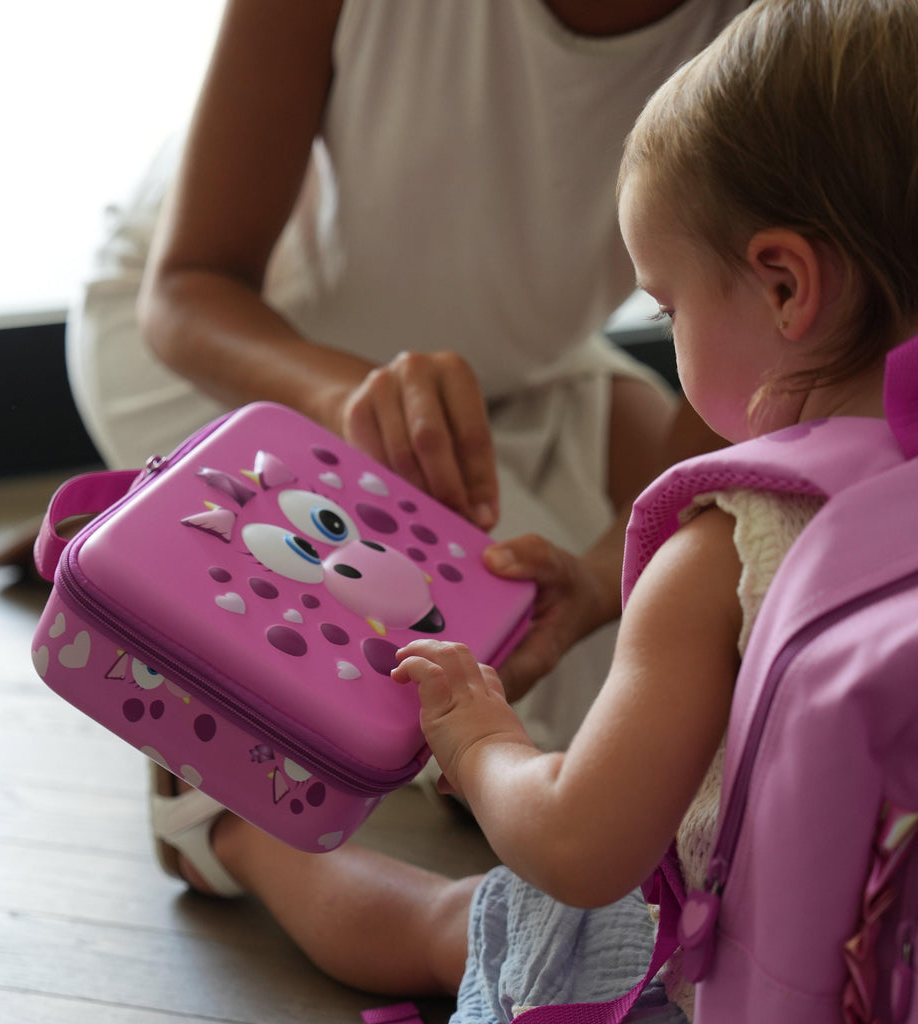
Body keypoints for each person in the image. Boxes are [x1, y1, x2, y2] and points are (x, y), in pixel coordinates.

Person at [147, 0, 918, 1020]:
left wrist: (480, 740)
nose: (668, 333)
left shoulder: (727, 543)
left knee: (458, 919)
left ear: (782, 285)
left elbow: (575, 845)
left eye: (667, 308)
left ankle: (228, 829)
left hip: (706, 969)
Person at [66, 0, 741, 753]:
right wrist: (342, 396)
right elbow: (189, 285)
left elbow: (754, 379)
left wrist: (596, 574)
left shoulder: (797, 29)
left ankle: (140, 522)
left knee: (673, 663)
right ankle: (211, 813)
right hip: (239, 354)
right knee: (503, 707)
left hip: (520, 359)